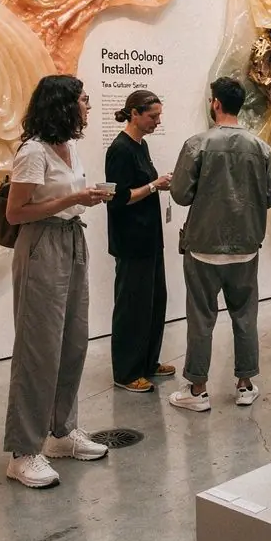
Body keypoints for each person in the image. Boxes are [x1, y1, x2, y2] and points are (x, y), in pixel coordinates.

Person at [4, 75, 111, 488]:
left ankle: (62, 433)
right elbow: (16, 214)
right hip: (42, 242)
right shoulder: (33, 151)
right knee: (38, 348)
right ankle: (23, 451)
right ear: (63, 104)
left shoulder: (70, 147)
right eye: (83, 100)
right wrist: (73, 199)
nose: (87, 106)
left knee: (73, 341)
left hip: (71, 239)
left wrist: (85, 199)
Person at [169, 77, 271, 412]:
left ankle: (198, 389)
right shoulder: (261, 147)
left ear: (215, 102)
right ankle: (245, 384)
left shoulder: (196, 144)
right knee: (245, 316)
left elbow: (180, 193)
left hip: (203, 245)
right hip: (245, 245)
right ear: (239, 104)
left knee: (201, 318)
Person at [105, 90, 174, 392]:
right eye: (152, 116)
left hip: (149, 239)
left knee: (154, 302)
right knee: (132, 307)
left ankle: (147, 362)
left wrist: (156, 186)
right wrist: (153, 186)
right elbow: (118, 199)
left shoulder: (140, 146)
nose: (157, 122)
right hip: (132, 242)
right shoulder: (120, 150)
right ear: (134, 113)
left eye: (158, 116)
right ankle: (126, 371)